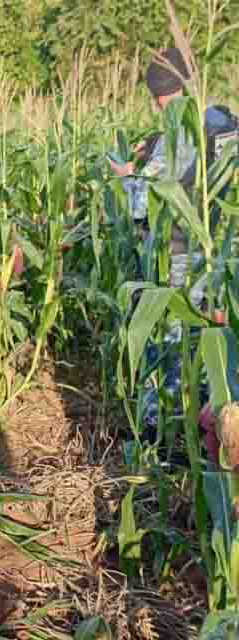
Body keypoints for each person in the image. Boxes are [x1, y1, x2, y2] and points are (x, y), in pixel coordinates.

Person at [110, 47, 238, 436]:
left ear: (159, 93)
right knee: (219, 341)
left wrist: (126, 174)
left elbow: (143, 203)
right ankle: (220, 420)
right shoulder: (225, 124)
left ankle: (160, 428)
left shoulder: (175, 131)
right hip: (224, 258)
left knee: (168, 338)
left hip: (183, 254)